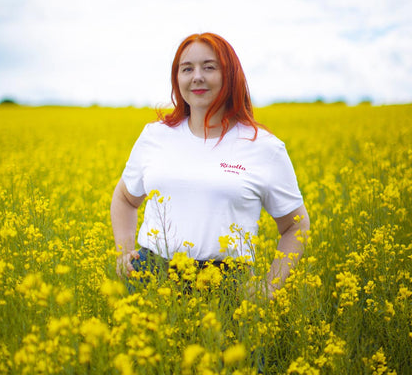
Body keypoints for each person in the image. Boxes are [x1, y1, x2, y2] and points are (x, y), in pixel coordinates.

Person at [110, 32, 310, 298]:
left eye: (209, 67)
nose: (197, 77)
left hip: (225, 287)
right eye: (187, 69)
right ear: (177, 78)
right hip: (152, 278)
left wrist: (269, 286)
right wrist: (124, 253)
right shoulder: (155, 136)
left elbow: (296, 225)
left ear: (230, 75)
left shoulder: (265, 148)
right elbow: (125, 197)